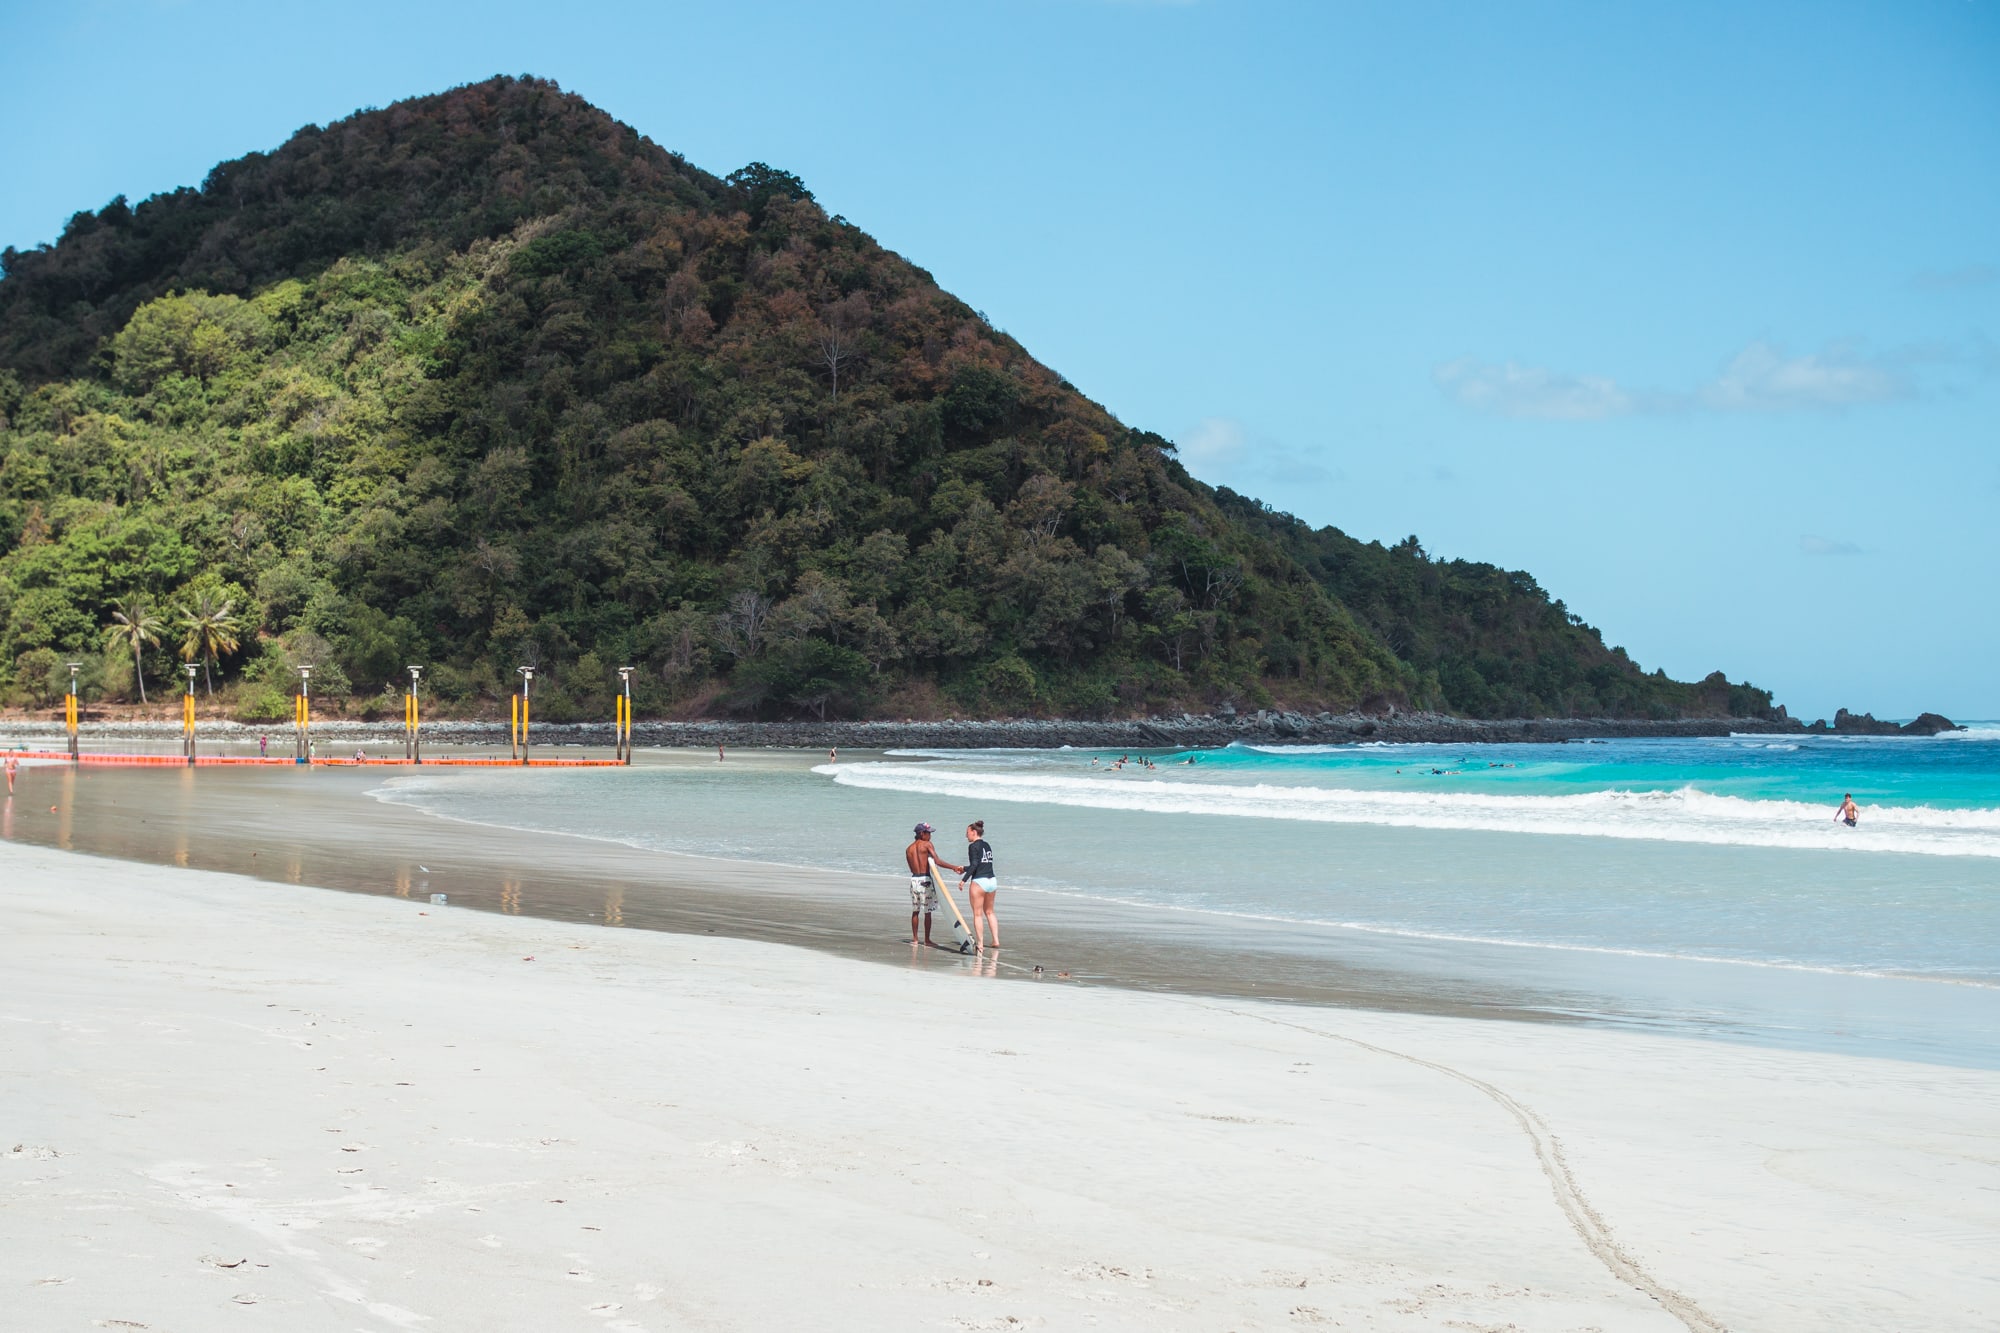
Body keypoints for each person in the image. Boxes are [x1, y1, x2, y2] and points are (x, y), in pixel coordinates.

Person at [904, 822, 963, 946]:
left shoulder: (908, 849)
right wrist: (953, 867)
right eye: (928, 833)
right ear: (921, 833)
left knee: (915, 910)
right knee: (927, 911)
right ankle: (927, 940)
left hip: (914, 880)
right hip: (925, 880)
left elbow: (911, 869)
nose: (930, 835)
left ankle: (915, 939)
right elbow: (937, 861)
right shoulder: (927, 845)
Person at [960, 820, 999, 953]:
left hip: (979, 882)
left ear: (974, 832)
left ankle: (980, 944)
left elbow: (975, 865)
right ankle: (995, 940)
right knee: (990, 912)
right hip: (992, 880)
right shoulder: (987, 845)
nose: (966, 836)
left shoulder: (973, 847)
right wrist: (965, 869)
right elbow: (981, 864)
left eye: (967, 833)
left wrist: (963, 880)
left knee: (977, 914)